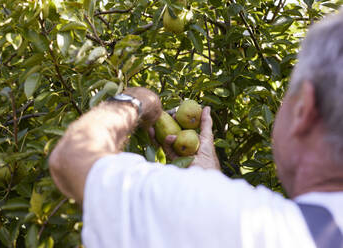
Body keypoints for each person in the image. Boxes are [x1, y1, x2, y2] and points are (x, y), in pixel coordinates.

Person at [49, 11, 343, 248]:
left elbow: (72, 159)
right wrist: (207, 175)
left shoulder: (253, 226)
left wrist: (136, 100)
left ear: (304, 108)